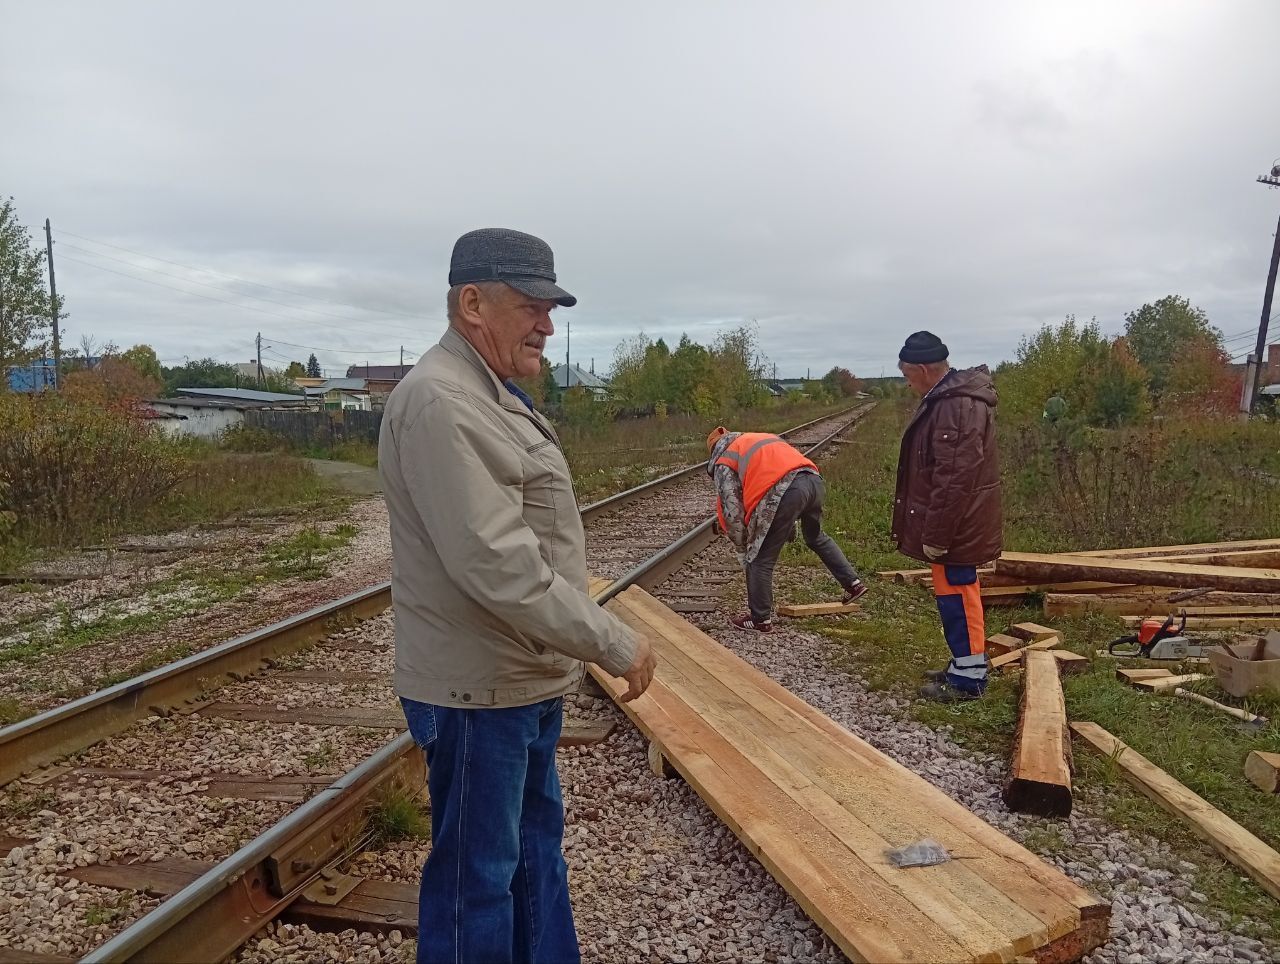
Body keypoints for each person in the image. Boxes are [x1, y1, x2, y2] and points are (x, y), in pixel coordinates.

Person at [379, 228, 657, 964]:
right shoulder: (442, 402)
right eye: (531, 305)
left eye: (550, 307)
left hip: (518, 677)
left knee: (536, 860)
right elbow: (498, 562)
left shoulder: (488, 394)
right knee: (480, 883)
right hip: (477, 691)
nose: (548, 323)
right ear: (473, 303)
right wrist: (609, 639)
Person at [892, 331, 1003, 702]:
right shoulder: (949, 401)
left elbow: (954, 478)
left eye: (908, 376)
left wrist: (937, 534)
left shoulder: (955, 407)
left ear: (923, 369)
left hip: (957, 524)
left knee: (958, 592)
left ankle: (969, 679)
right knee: (952, 592)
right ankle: (963, 663)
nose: (908, 384)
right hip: (956, 521)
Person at [707, 426, 866, 632]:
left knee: (759, 558)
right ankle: (854, 583)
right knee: (816, 537)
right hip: (812, 480)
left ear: (713, 450)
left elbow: (732, 509)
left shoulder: (724, 459)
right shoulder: (756, 439)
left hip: (786, 490)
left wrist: (743, 545)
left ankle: (760, 619)